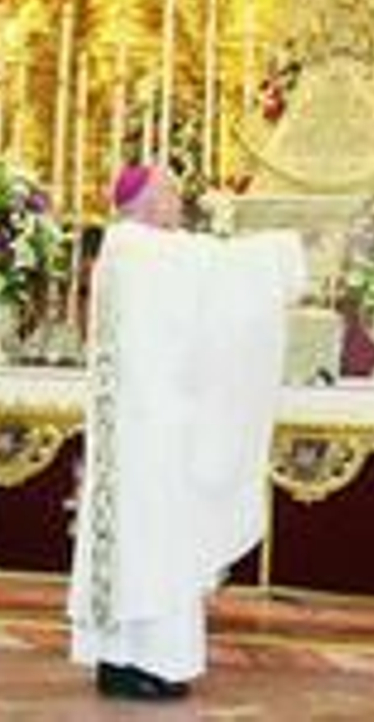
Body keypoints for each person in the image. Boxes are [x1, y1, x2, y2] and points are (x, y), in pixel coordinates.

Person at [69, 165, 306, 700]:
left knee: (143, 543)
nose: (179, 202)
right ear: (147, 202)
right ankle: (143, 661)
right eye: (171, 193)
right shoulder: (144, 250)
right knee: (155, 543)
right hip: (148, 429)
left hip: (141, 424)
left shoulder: (129, 249)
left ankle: (123, 659)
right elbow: (223, 272)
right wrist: (288, 250)